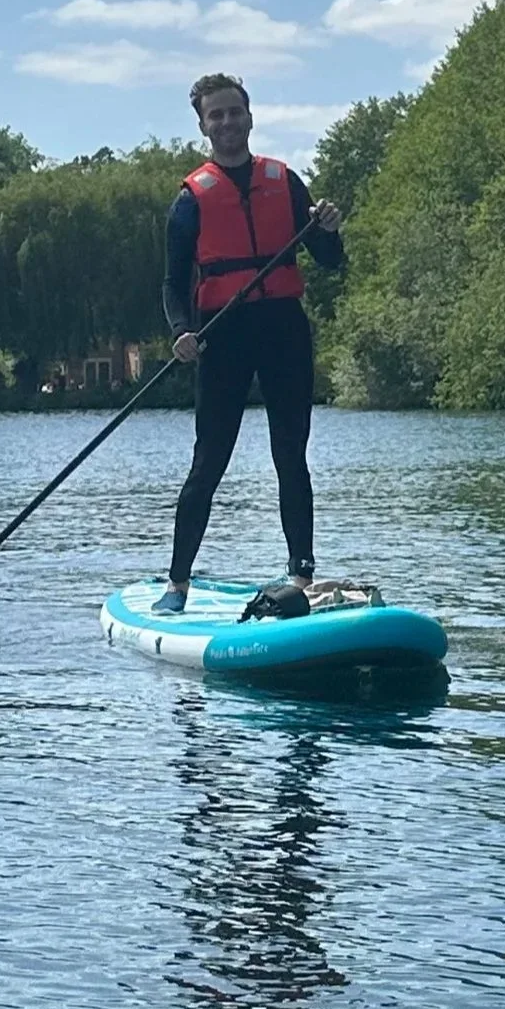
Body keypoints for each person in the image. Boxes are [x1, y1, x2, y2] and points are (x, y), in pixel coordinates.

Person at [154, 73, 345, 614]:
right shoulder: (190, 200)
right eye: (216, 115)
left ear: (250, 117)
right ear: (203, 125)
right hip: (223, 333)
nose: (227, 122)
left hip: (284, 328)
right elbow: (172, 282)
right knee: (209, 461)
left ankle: (301, 573)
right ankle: (178, 583)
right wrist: (180, 332)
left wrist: (328, 230)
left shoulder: (284, 182)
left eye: (234, 112)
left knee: (291, 454)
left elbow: (331, 261)